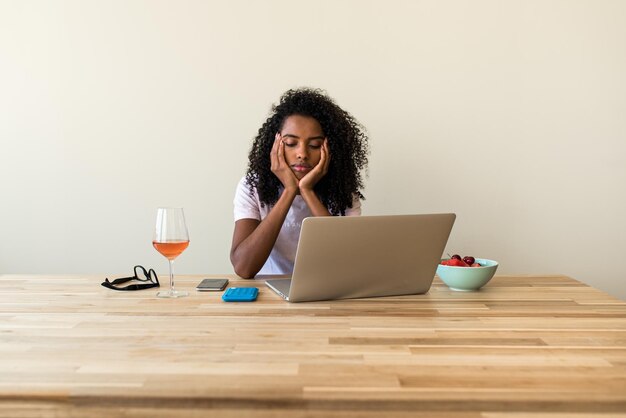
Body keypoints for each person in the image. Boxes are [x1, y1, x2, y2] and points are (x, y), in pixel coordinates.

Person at [230, 88, 369, 279]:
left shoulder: (342, 191)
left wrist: (307, 191)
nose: (302, 153)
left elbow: (349, 262)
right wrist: (289, 191)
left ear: (330, 149)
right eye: (290, 143)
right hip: (269, 294)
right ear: (276, 145)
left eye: (314, 145)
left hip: (327, 290)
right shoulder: (252, 186)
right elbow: (244, 268)